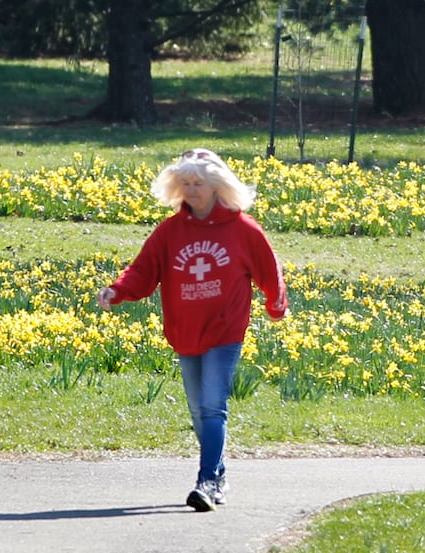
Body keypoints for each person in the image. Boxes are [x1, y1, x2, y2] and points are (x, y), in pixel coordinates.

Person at [97, 148, 288, 512]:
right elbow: (143, 270)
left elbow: (268, 269)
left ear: (217, 185)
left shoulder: (243, 229)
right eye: (184, 183)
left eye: (198, 183)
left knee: (214, 406)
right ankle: (219, 476)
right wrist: (118, 290)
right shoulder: (170, 232)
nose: (191, 189)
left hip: (225, 331)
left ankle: (206, 481)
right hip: (186, 331)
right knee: (200, 411)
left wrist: (276, 302)